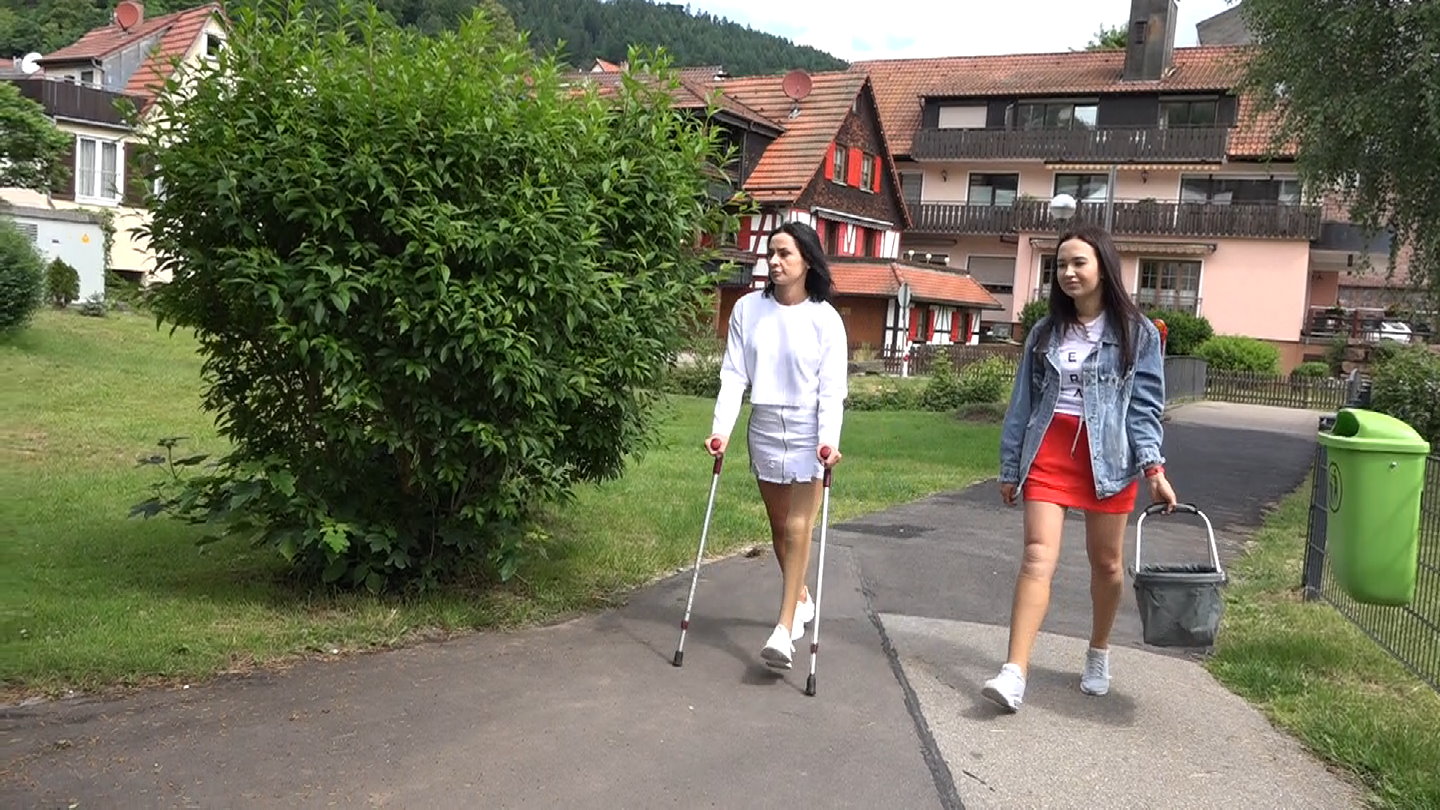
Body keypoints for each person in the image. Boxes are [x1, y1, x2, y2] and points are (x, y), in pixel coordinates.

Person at [983, 224, 1178, 712]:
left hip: (1108, 456)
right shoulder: (1045, 331)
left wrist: (1153, 469)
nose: (1068, 272)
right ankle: (1014, 672)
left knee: (1106, 564)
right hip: (1049, 450)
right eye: (1061, 265)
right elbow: (1022, 403)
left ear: (1103, 268)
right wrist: (1010, 466)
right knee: (1036, 556)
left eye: (1079, 263)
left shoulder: (1138, 333)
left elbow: (1144, 407)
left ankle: (1098, 650)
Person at [706, 221, 848, 670]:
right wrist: (721, 430)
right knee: (779, 524)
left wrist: (828, 440)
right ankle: (800, 597)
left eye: (784, 253)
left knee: (798, 527)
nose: (774, 261)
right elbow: (734, 375)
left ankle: (784, 630)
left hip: (808, 430)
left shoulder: (825, 319)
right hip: (765, 425)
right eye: (771, 253)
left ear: (807, 260)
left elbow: (832, 390)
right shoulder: (748, 310)